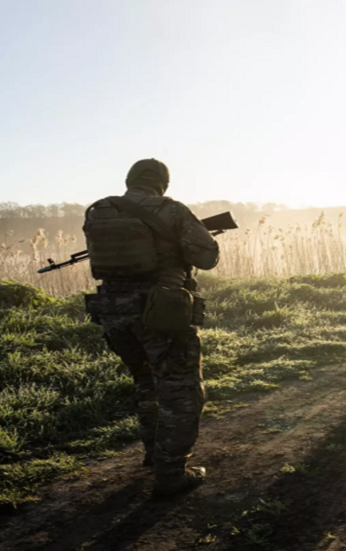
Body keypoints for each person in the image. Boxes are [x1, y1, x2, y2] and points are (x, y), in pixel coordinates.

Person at [83, 159, 219, 498]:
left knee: (146, 382)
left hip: (113, 313)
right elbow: (206, 257)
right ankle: (171, 475)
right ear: (163, 183)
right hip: (162, 314)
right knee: (181, 392)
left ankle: (154, 455)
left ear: (128, 180)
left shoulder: (97, 210)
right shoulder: (170, 210)